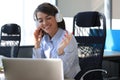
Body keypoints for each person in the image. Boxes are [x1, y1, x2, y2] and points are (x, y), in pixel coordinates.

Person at [32, 2, 81, 80]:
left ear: (57, 18)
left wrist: (60, 51)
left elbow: (63, 72)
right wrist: (37, 45)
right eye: (40, 21)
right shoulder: (44, 40)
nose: (45, 23)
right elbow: (37, 67)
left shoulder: (67, 38)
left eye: (48, 18)